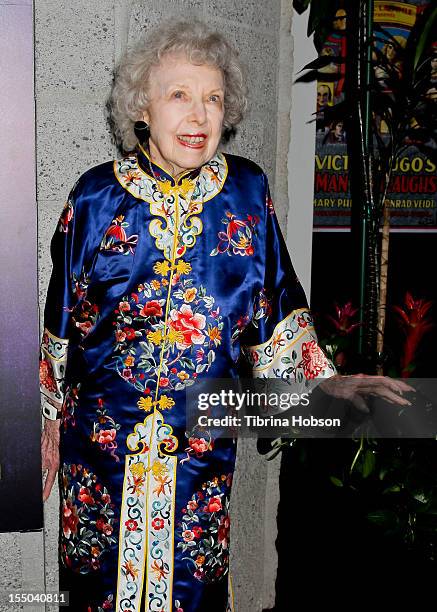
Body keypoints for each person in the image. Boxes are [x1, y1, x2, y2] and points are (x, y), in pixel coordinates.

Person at [40, 19, 411, 612]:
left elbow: (277, 308)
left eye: (213, 99)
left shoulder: (247, 193)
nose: (200, 115)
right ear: (143, 109)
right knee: (97, 593)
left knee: (193, 593)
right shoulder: (92, 198)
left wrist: (324, 384)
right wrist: (48, 425)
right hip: (102, 455)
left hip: (200, 451)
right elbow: (60, 324)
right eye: (180, 95)